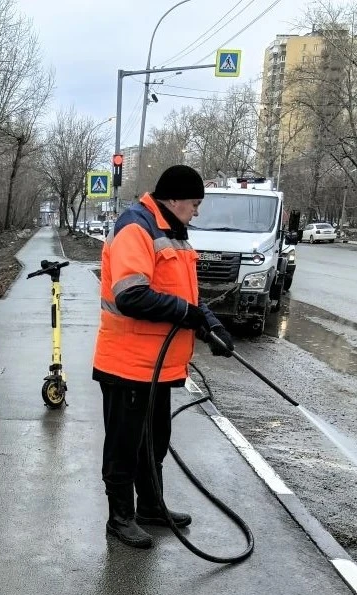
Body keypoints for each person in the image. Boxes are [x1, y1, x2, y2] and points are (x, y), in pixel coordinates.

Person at [93, 164, 235, 549]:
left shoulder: (172, 233)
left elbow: (186, 297)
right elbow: (131, 295)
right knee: (124, 446)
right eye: (194, 203)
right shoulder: (136, 228)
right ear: (173, 200)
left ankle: (150, 507)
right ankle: (119, 518)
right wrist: (188, 314)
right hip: (127, 364)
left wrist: (210, 325)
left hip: (157, 367)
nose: (197, 211)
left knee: (154, 440)